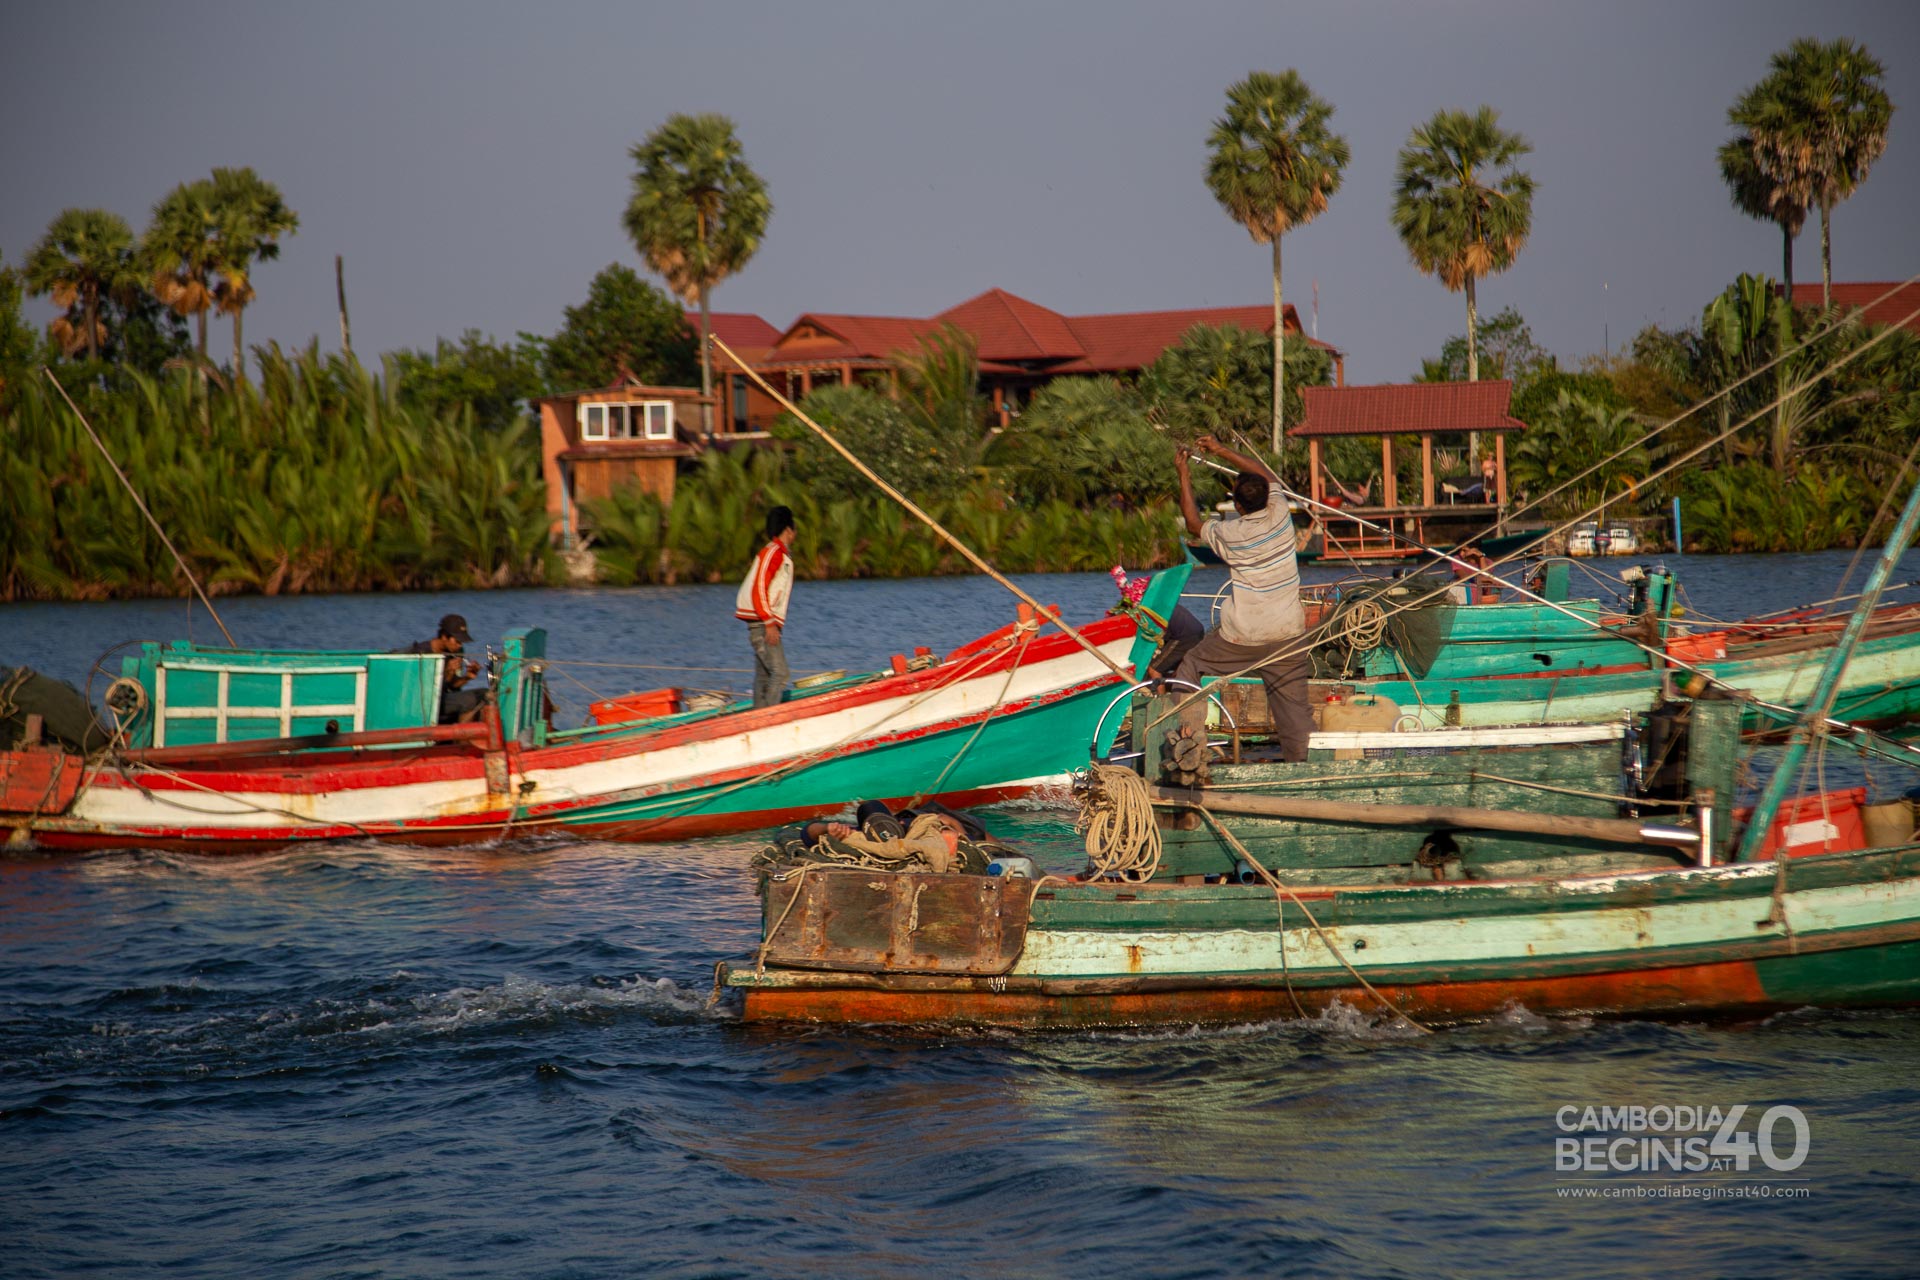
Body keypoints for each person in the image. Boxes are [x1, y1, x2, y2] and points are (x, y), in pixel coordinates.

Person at [1172, 435, 1313, 762]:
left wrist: (1183, 473)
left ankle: (1188, 747)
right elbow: (1267, 475)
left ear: (1237, 506)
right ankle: (1303, 767)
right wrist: (1221, 449)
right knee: (1294, 711)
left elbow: (1193, 523)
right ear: (1267, 496)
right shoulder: (1280, 514)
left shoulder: (1230, 533)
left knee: (1190, 667)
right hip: (1288, 634)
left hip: (1241, 638)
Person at [736, 505, 796, 709]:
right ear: (789, 530)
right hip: (763, 623)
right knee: (780, 672)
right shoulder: (774, 552)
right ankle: (769, 717)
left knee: (764, 675)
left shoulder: (779, 554)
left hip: (762, 623)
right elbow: (759, 586)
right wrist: (769, 623)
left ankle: (758, 714)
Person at [396, 614, 484, 723]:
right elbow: (424, 690)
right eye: (457, 641)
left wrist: (467, 677)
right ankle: (460, 738)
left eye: (462, 642)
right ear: (444, 636)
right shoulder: (422, 653)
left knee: (485, 694)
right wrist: (447, 671)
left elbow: (452, 685)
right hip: (425, 703)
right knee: (469, 700)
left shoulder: (456, 652)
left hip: (444, 697)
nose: (459, 645)